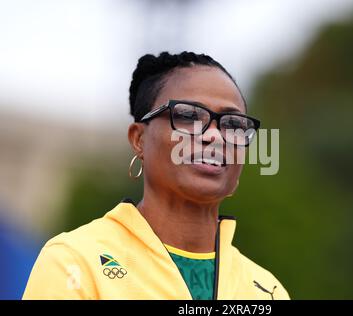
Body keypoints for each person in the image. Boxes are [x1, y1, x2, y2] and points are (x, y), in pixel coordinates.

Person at [23, 51, 290, 300]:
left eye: (233, 124)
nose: (214, 135)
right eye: (189, 116)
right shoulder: (74, 262)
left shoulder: (268, 290)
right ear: (139, 139)